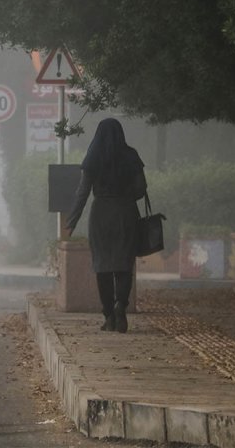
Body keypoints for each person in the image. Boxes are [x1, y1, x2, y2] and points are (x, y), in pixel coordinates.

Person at [66, 118, 146, 333]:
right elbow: (141, 188)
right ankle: (121, 306)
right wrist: (124, 196)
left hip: (100, 215)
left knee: (102, 266)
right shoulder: (131, 155)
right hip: (126, 214)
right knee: (123, 264)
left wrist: (70, 223)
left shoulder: (93, 157)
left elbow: (82, 192)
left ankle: (108, 315)